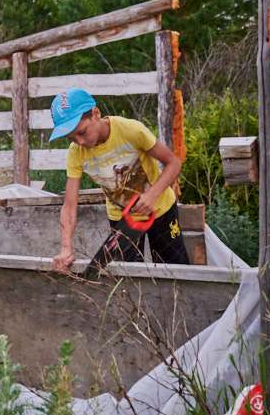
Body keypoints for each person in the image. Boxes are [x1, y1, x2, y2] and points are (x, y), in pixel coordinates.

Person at [49, 88, 189, 277]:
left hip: (161, 211)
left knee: (176, 273)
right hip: (123, 220)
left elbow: (173, 163)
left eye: (82, 132)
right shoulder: (76, 152)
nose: (79, 141)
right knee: (127, 280)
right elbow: (69, 205)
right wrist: (66, 248)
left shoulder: (131, 130)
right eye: (72, 137)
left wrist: (151, 196)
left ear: (96, 114)